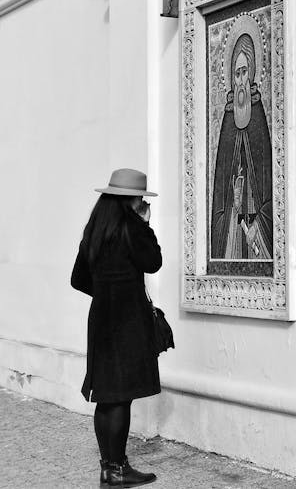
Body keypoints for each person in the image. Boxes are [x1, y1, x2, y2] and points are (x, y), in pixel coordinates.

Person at [71, 168, 162, 487]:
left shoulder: (94, 229)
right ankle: (118, 468)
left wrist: (107, 291)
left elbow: (78, 279)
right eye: (141, 199)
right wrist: (145, 225)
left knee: (107, 396)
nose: (143, 204)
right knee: (121, 396)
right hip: (127, 321)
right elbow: (153, 262)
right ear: (132, 201)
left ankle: (108, 467)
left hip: (101, 320)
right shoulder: (132, 227)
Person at [211, 33, 273, 259]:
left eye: (244, 72)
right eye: (236, 74)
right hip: (234, 224)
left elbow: (267, 178)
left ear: (253, 72)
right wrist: (234, 201)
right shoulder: (228, 119)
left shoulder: (258, 116)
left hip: (258, 222)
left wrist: (259, 220)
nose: (240, 80)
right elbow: (221, 183)